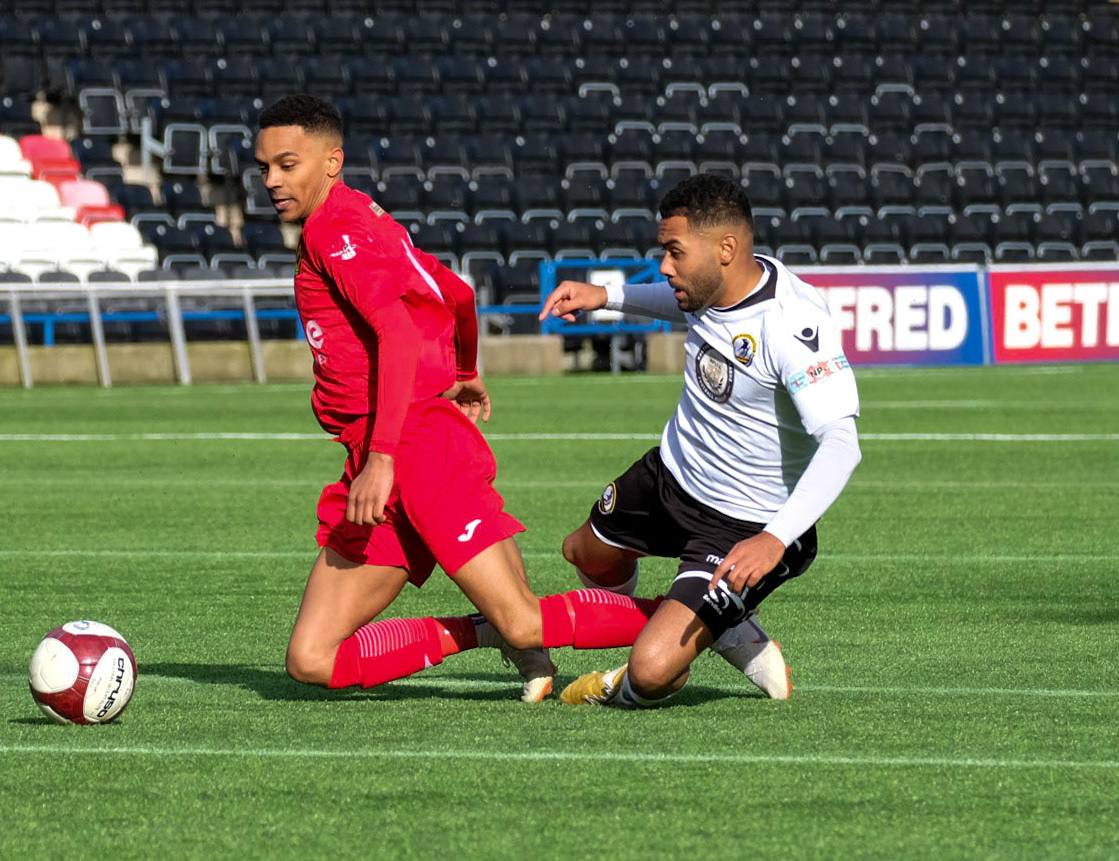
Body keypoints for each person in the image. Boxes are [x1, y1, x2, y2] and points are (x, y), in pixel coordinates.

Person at [256, 94, 662, 702]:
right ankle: (480, 631)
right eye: (263, 167)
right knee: (312, 659)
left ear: (331, 161)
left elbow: (395, 330)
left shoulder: (332, 228)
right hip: (378, 454)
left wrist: (385, 456)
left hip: (411, 447)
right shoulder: (366, 217)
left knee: (524, 618)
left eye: (287, 164)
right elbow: (457, 293)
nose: (271, 180)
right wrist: (466, 369)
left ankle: (700, 615)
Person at [538, 174, 862, 708]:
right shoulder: (709, 286)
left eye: (674, 252)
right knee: (584, 553)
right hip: (670, 476)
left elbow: (842, 443)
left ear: (726, 249)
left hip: (743, 525)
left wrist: (775, 538)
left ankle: (655, 654)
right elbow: (681, 304)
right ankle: (722, 626)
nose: (665, 266)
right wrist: (606, 296)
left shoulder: (793, 323)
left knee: (651, 671)